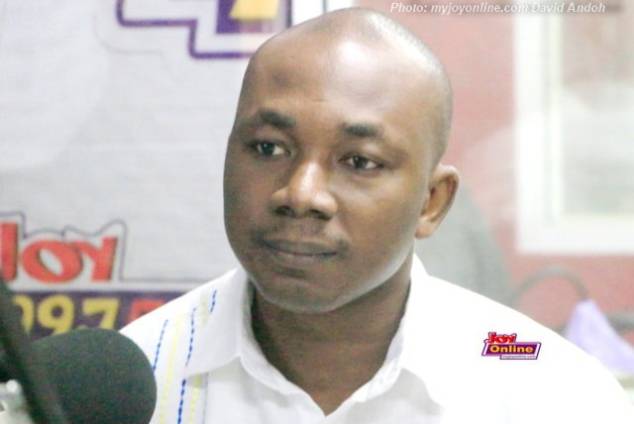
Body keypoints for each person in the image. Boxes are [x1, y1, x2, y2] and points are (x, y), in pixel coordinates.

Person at [122, 8, 633, 423]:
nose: (301, 193)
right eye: (268, 147)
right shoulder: (132, 383)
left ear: (432, 203)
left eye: (359, 162)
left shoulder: (554, 394)